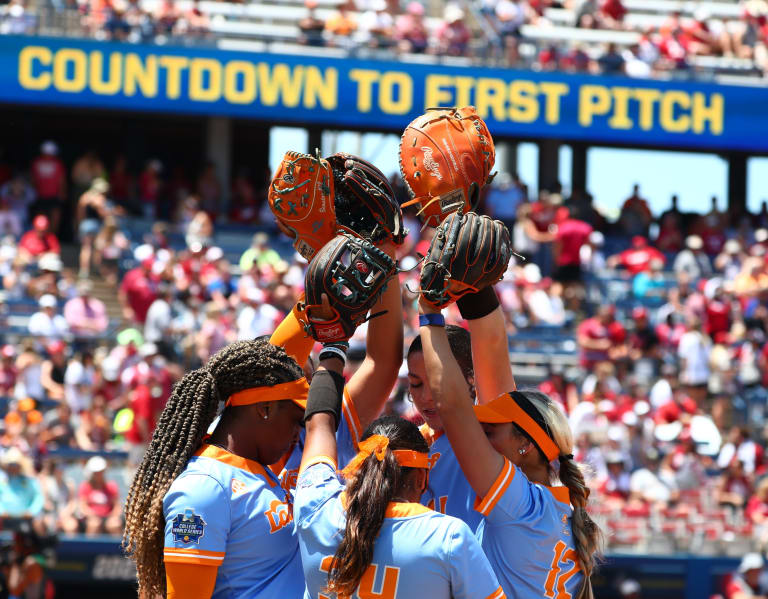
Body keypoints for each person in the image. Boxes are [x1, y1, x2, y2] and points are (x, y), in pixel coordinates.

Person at [418, 292, 602, 598]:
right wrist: (479, 291)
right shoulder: (563, 512)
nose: (482, 436)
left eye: (491, 430)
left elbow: (451, 406)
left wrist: (429, 314)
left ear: (525, 445)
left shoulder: (522, 505)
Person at [296, 345, 506, 599]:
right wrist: (333, 352)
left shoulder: (314, 508)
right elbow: (319, 425)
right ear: (421, 478)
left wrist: (332, 348)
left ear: (360, 467)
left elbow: (318, 427)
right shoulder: (448, 537)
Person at [123, 339, 308, 598]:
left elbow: (272, 364)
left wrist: (307, 317)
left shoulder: (253, 468)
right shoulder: (205, 487)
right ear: (265, 409)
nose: (299, 432)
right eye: (296, 421)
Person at [77, 456, 121, 535]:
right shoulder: (85, 486)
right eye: (96, 473)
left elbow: (117, 506)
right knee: (94, 524)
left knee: (114, 524)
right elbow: (83, 507)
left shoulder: (111, 486)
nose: (98, 475)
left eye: (101, 472)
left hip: (108, 518)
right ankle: (89, 547)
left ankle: (118, 547)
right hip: (91, 518)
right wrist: (93, 515)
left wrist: (112, 516)